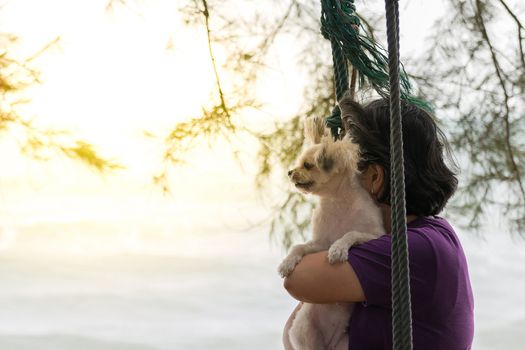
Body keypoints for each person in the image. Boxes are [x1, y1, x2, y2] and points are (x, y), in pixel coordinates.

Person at [283, 96, 474, 349]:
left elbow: (298, 279)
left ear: (375, 177)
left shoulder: (416, 248)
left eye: (349, 169)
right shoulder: (433, 235)